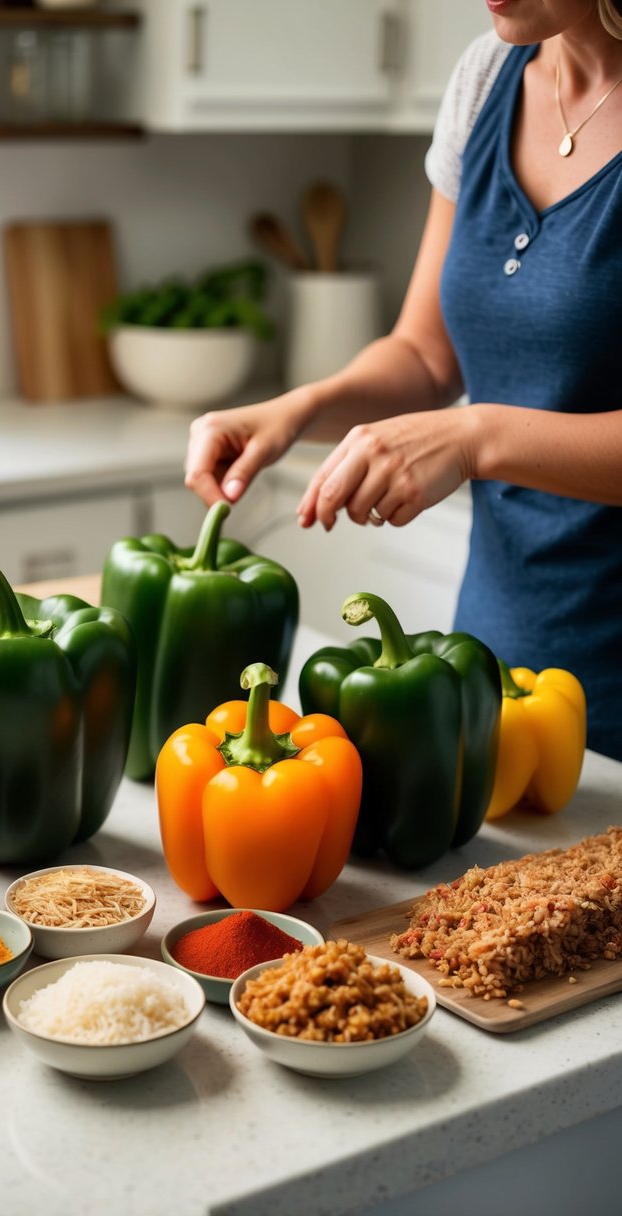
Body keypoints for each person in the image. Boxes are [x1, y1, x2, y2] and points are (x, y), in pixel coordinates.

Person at [184, 0, 622, 761]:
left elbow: (468, 420)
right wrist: (296, 410)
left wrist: (476, 434)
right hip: (492, 673)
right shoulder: (486, 76)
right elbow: (426, 355)